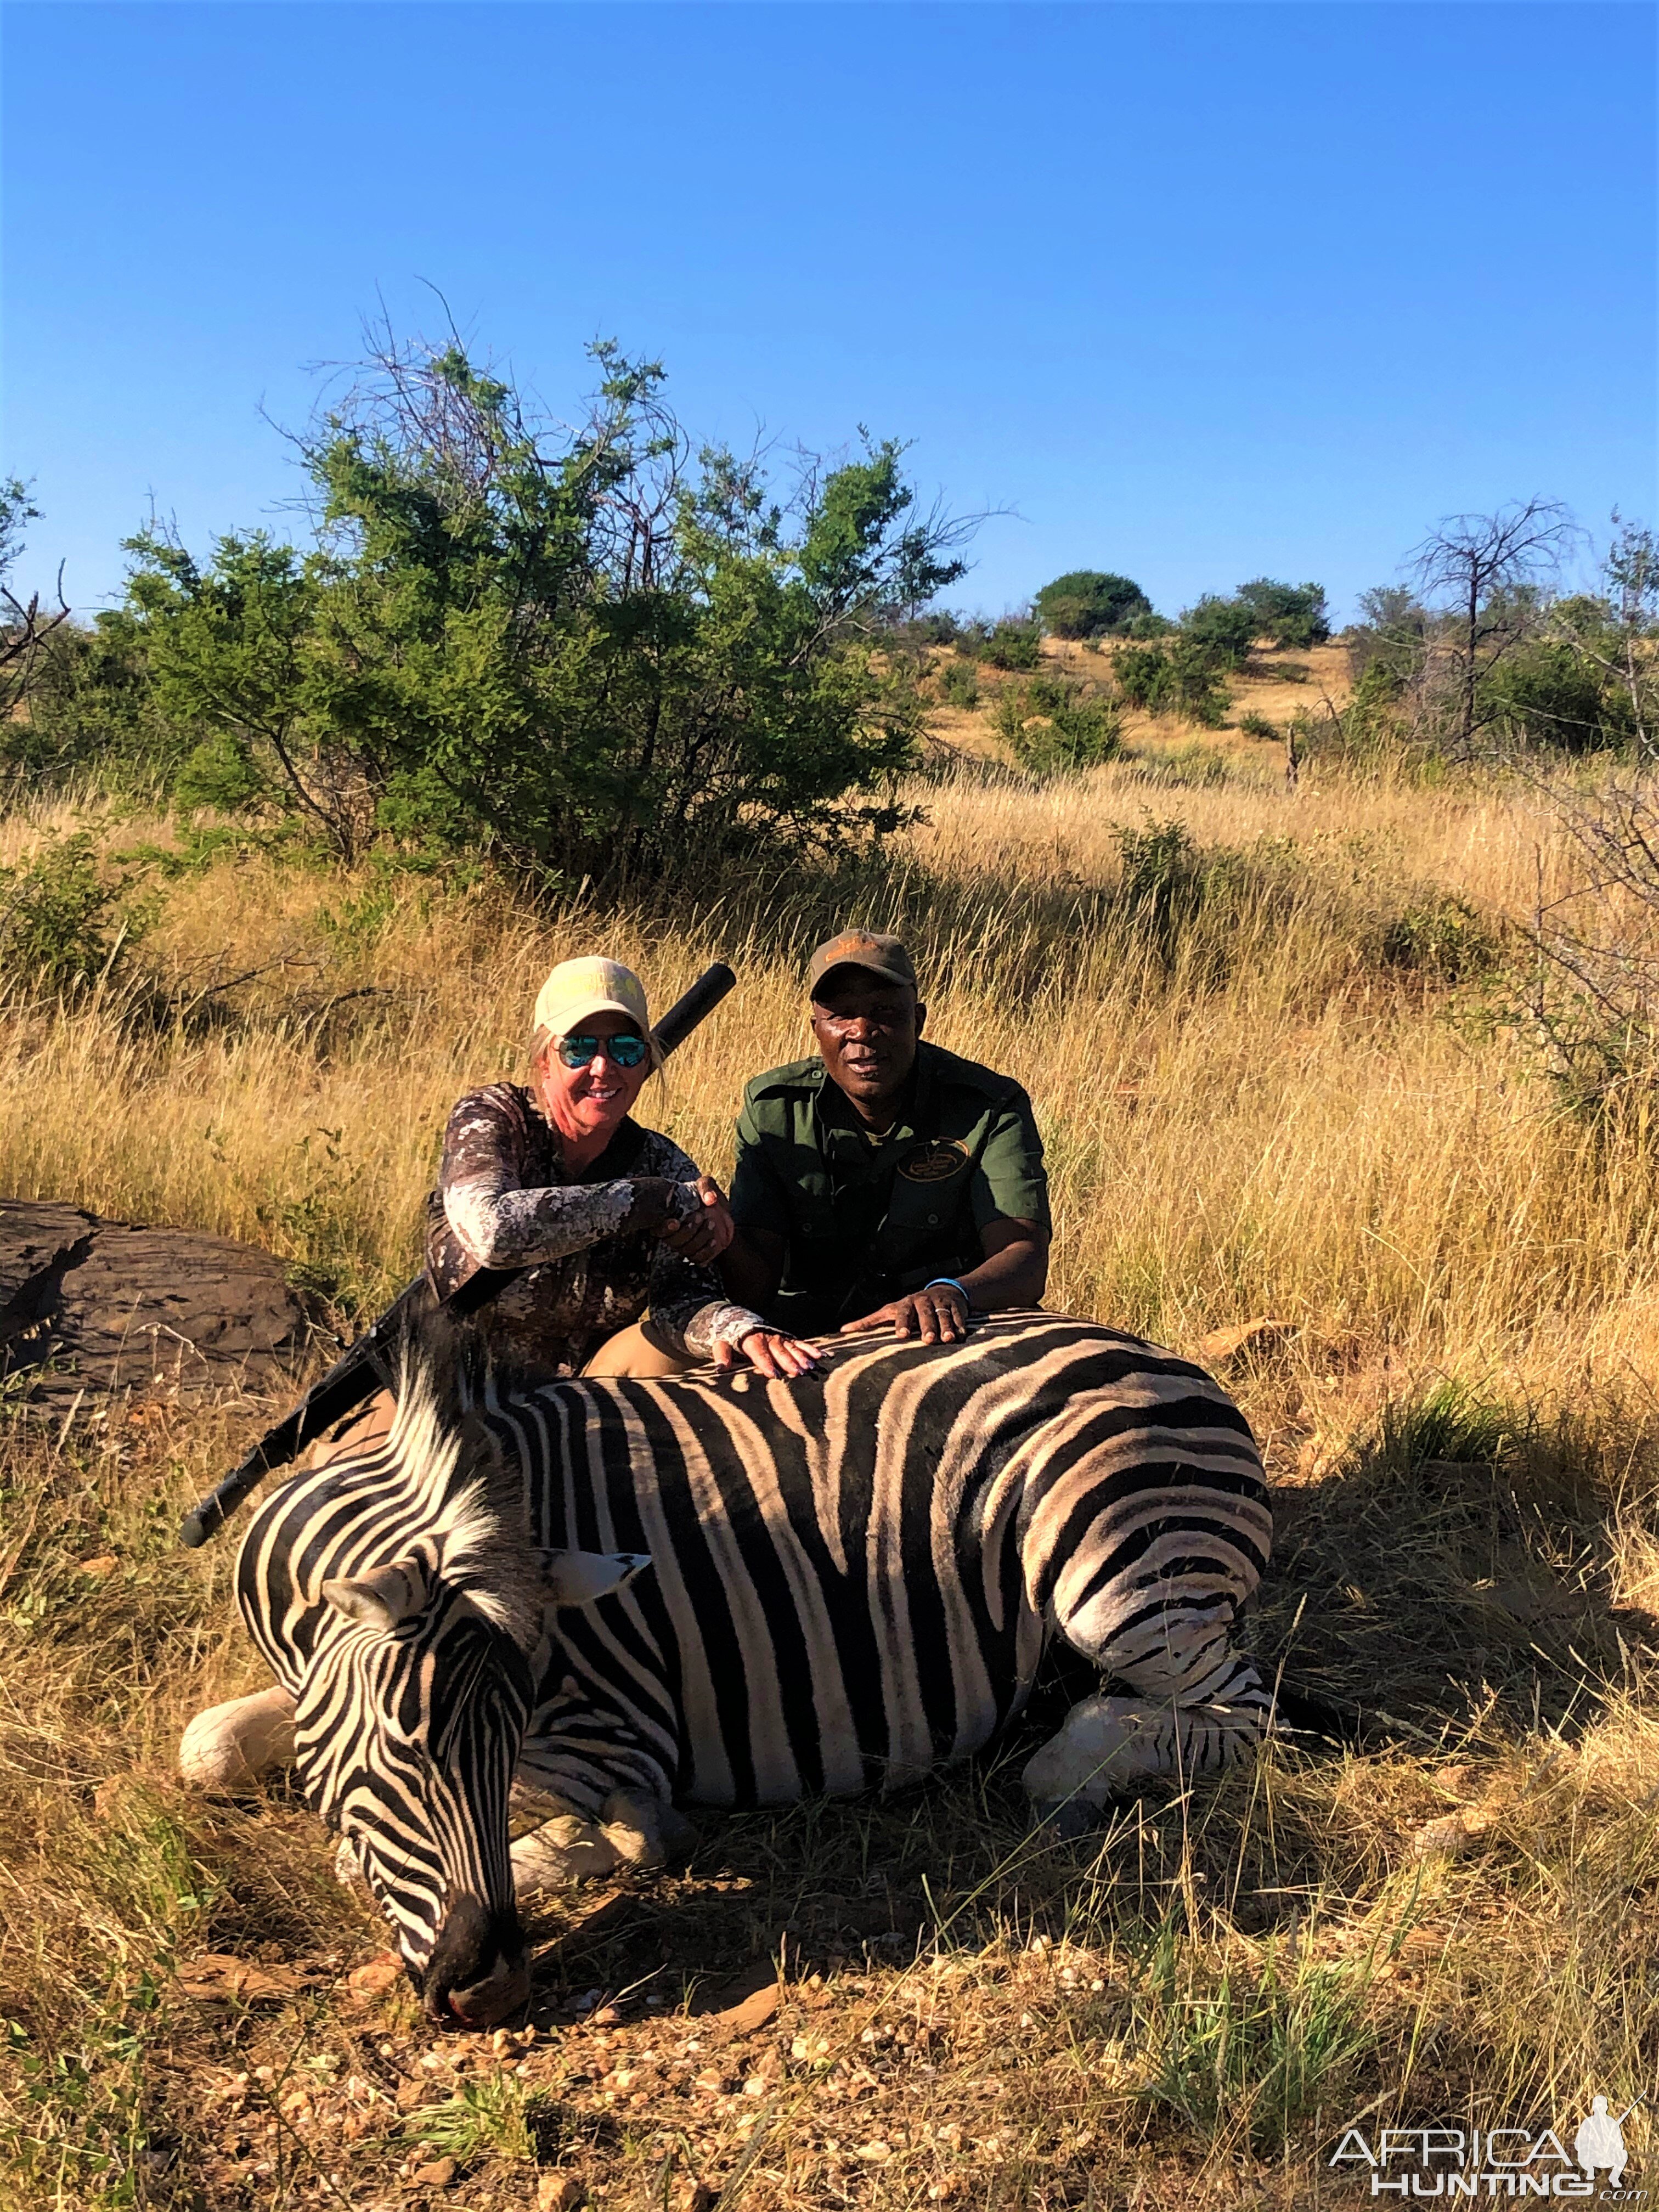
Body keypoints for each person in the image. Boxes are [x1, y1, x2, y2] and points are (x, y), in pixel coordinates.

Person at [428, 956, 816, 1382]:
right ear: (545, 1060)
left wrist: (742, 1330)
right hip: (455, 1375)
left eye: (626, 1049)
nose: (602, 1068)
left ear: (645, 1060)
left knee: (699, 1358)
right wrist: (648, 1201)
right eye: (579, 1048)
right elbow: (492, 1233)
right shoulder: (493, 1119)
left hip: (583, 1386)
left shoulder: (664, 1164)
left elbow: (682, 1303)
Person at [720, 930, 1050, 1346]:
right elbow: (754, 1286)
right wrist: (716, 1234)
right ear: (816, 1028)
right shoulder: (774, 1109)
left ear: (920, 1020)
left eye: (885, 1012)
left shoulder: (987, 1106)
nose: (862, 1031)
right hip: (810, 1344)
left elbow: (1024, 1258)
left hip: (941, 1337)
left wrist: (954, 1292)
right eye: (841, 1015)